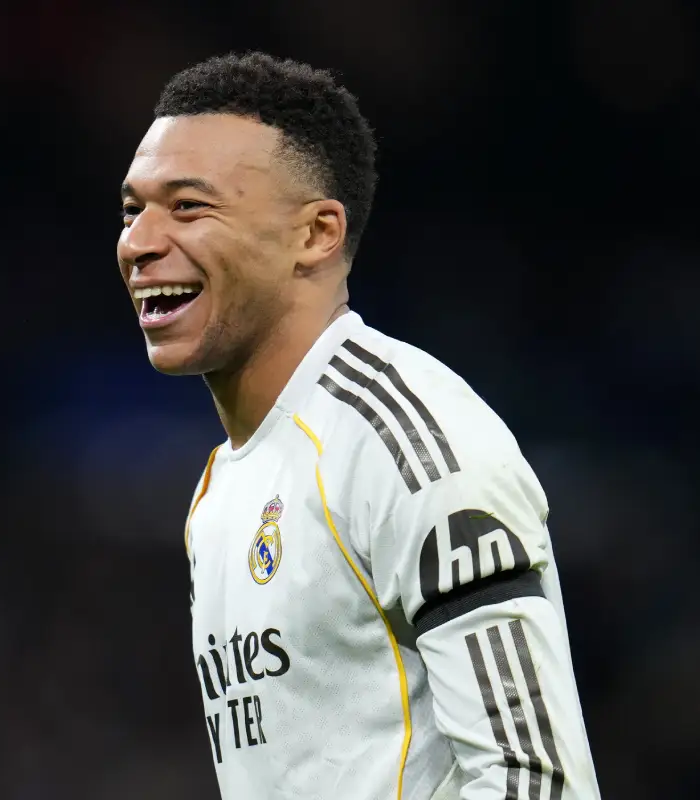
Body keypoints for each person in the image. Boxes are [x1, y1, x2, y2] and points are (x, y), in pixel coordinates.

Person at [115, 52, 601, 800]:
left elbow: (535, 780)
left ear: (316, 234)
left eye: (188, 207)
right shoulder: (221, 491)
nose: (140, 243)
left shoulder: (410, 442)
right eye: (131, 209)